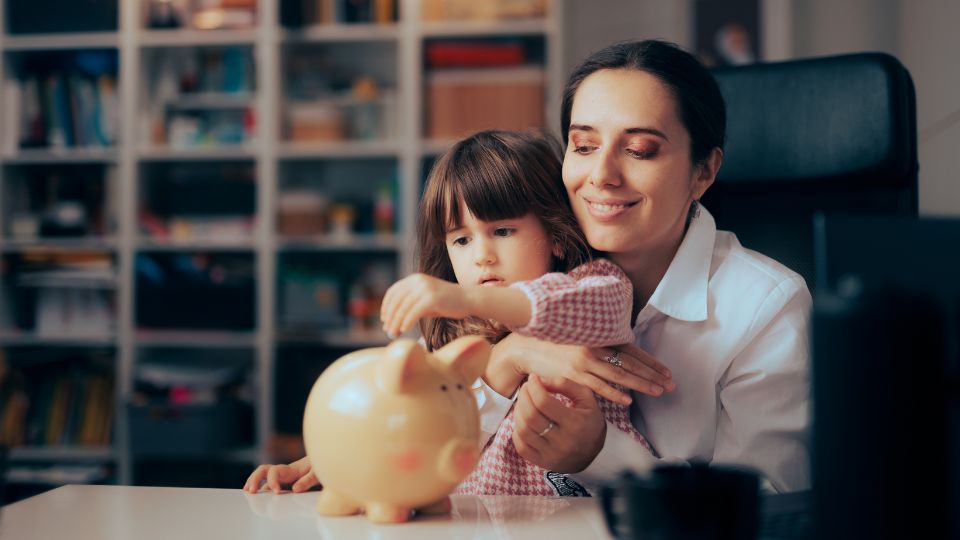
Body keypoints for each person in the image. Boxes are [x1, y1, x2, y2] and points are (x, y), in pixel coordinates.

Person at [243, 130, 673, 495]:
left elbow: (567, 304)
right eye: (461, 240)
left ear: (556, 236)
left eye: (502, 231)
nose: (482, 256)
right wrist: (337, 462)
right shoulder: (449, 338)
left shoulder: (595, 288)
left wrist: (468, 299)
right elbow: (408, 429)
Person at [479, 39, 811, 493]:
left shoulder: (765, 306)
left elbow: (765, 506)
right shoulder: (531, 265)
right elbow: (413, 439)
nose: (602, 175)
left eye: (638, 150)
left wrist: (599, 456)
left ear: (703, 172)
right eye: (584, 146)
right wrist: (509, 355)